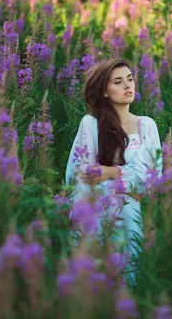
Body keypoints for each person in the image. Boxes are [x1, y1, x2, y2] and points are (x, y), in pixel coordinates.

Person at [65, 58, 163, 282]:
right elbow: (81, 176)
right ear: (105, 91)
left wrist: (112, 173)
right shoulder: (91, 124)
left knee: (128, 284)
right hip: (96, 217)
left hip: (132, 220)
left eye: (130, 79)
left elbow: (152, 178)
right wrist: (129, 185)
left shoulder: (147, 126)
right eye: (118, 82)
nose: (127, 86)